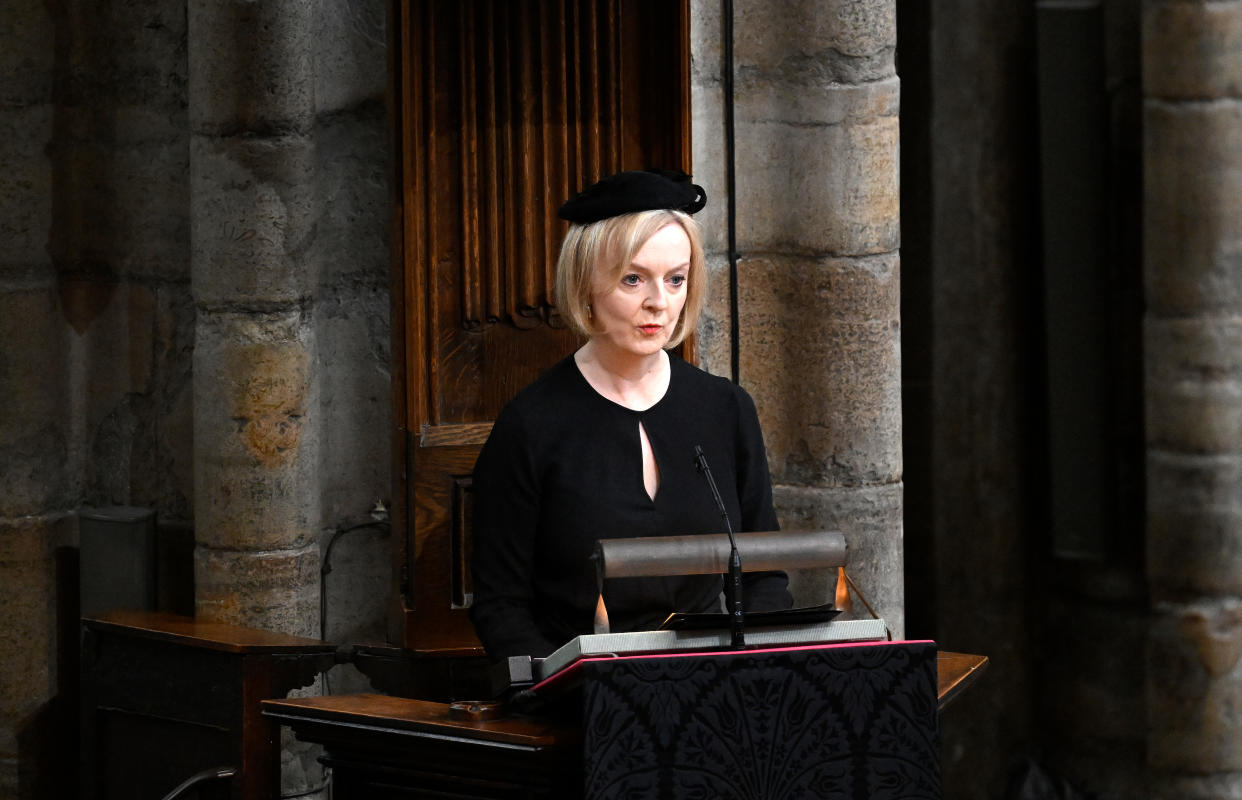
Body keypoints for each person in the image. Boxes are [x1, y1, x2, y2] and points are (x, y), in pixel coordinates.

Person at [469, 169, 792, 659]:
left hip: (714, 686)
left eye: (676, 279)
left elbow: (765, 576)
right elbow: (501, 607)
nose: (658, 303)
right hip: (584, 696)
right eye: (633, 278)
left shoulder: (726, 409)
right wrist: (571, 692)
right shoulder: (531, 425)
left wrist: (757, 675)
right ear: (586, 284)